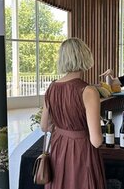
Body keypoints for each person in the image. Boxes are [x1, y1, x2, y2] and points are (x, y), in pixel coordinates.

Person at [40, 38, 106, 189]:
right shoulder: (88, 91)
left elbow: (44, 126)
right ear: (85, 56)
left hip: (58, 147)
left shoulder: (51, 88)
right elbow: (96, 141)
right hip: (82, 151)